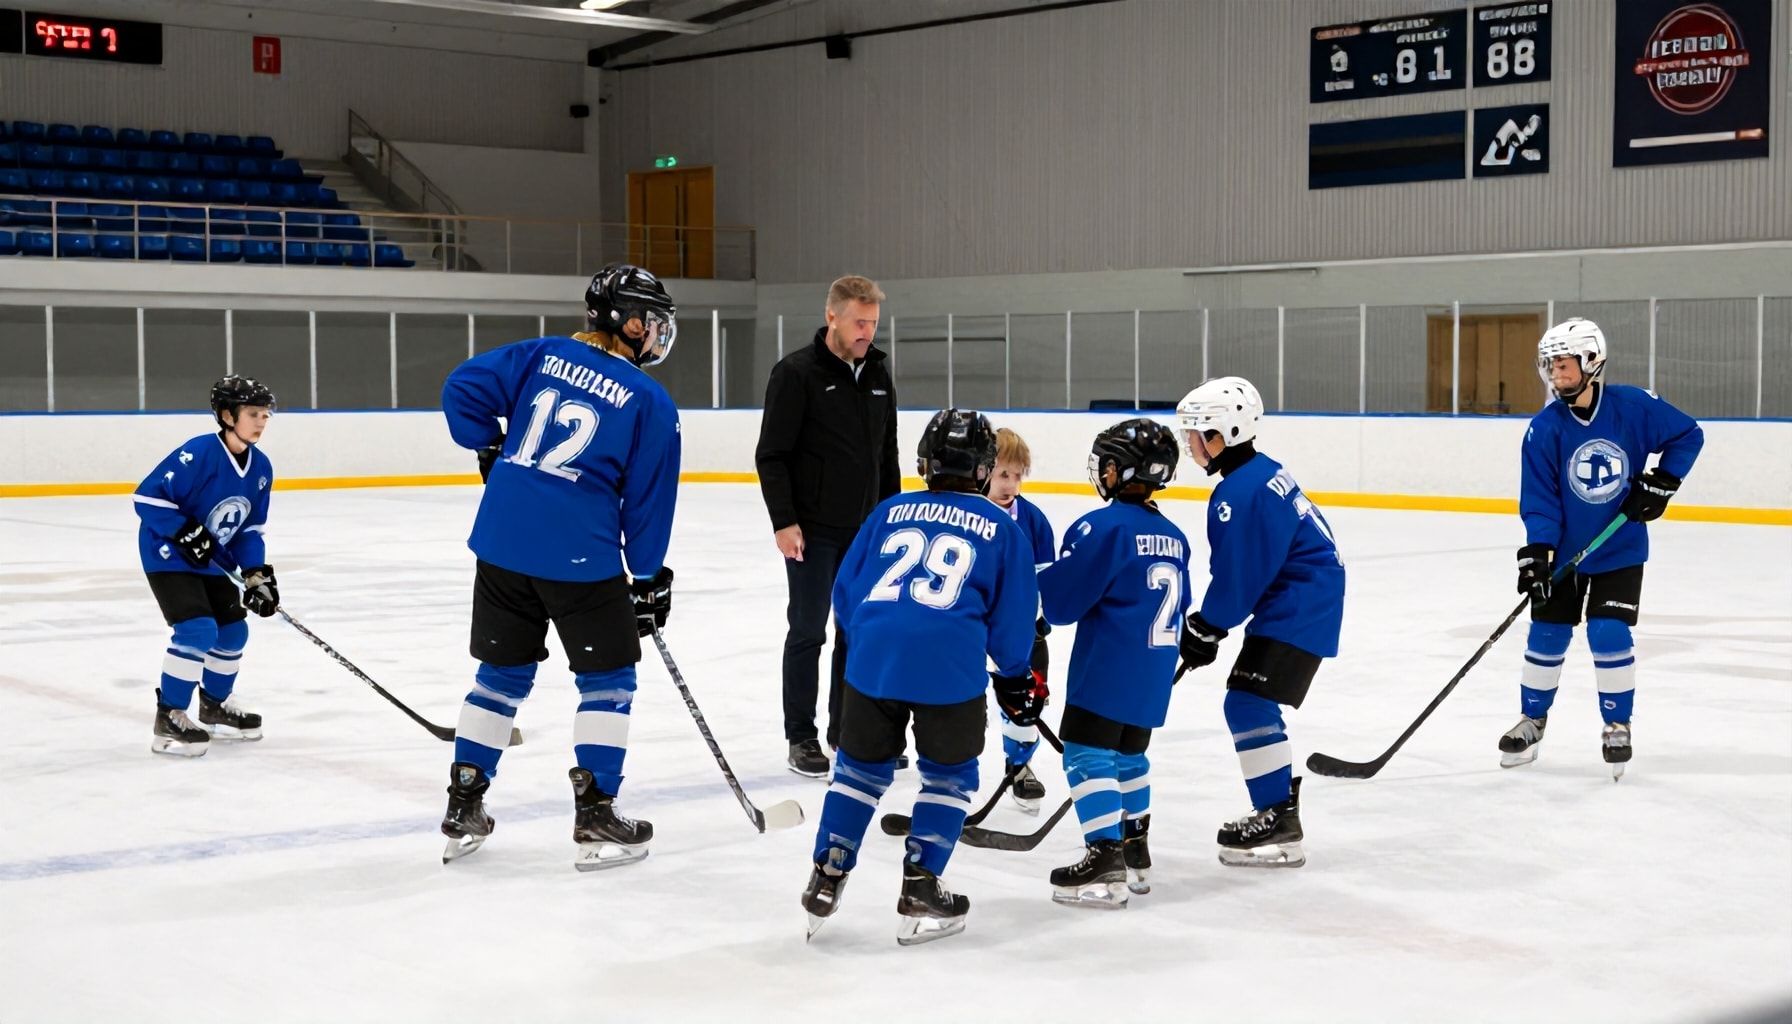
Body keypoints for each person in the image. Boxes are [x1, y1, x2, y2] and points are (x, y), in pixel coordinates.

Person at [436, 263, 681, 869]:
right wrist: (648, 577)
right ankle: (596, 813)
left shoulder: (541, 354)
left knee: (500, 677)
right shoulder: (650, 400)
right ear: (627, 322)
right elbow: (647, 503)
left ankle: (464, 801)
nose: (656, 333)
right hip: (578, 556)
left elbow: (460, 388)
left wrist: (489, 447)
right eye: (651, 322)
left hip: (500, 544)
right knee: (609, 682)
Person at [801, 409, 1038, 946]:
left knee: (858, 774)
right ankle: (922, 883)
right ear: (982, 469)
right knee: (948, 780)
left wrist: (875, 641)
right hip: (949, 670)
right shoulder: (1003, 527)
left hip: (873, 664)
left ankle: (827, 872)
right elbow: (1013, 620)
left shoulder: (890, 510)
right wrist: (1014, 674)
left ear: (925, 462)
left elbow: (846, 594)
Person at [1501, 318, 1703, 780]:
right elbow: (1540, 499)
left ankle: (1617, 724)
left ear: (1592, 361)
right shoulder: (1544, 429)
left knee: (1608, 633)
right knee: (1547, 634)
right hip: (1567, 554)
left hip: (1620, 547)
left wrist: (1663, 482)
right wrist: (1537, 552)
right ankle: (1532, 720)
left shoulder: (1633, 407)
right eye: (1550, 367)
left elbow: (1688, 435)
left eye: (1565, 366)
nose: (1556, 376)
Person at [1175, 376, 1344, 869]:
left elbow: (1240, 576)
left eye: (1196, 434)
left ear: (1223, 434)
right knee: (1248, 703)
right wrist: (1213, 622)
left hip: (1300, 603)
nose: (1190, 445)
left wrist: (1208, 623)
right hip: (1303, 598)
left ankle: (1277, 818)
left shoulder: (1239, 493)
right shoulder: (1260, 473)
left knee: (1248, 703)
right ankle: (1277, 813)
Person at [1037, 418, 1187, 907]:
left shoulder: (1099, 527)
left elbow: (1060, 606)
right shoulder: (1174, 536)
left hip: (1108, 665)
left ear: (1117, 470)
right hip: (1154, 669)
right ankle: (1134, 851)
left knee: (1084, 752)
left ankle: (1103, 859)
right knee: (1129, 756)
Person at [755, 275, 901, 778]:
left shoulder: (879, 373)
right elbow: (772, 455)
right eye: (860, 322)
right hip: (813, 532)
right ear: (832, 316)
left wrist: (892, 519)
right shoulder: (796, 373)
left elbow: (888, 454)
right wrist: (784, 521)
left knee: (856, 633)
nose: (867, 332)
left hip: (866, 532)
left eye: (873, 323)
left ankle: (848, 731)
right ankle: (802, 736)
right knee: (808, 631)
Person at [132, 375, 280, 757]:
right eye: (253, 413)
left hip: (213, 559)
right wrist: (183, 531)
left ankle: (214, 706)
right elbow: (147, 499)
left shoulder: (261, 468)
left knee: (232, 634)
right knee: (197, 631)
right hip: (167, 555)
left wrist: (255, 572)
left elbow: (249, 529)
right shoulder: (198, 453)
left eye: (265, 414)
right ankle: (170, 717)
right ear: (228, 416)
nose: (262, 421)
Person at [986, 427, 1056, 810]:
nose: (1010, 484)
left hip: (1021, 632)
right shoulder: (969, 514)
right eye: (1002, 475)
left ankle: (1021, 767)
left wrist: (1041, 617)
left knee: (1027, 700)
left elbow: (1045, 576)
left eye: (1017, 475)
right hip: (972, 628)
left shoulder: (1033, 519)